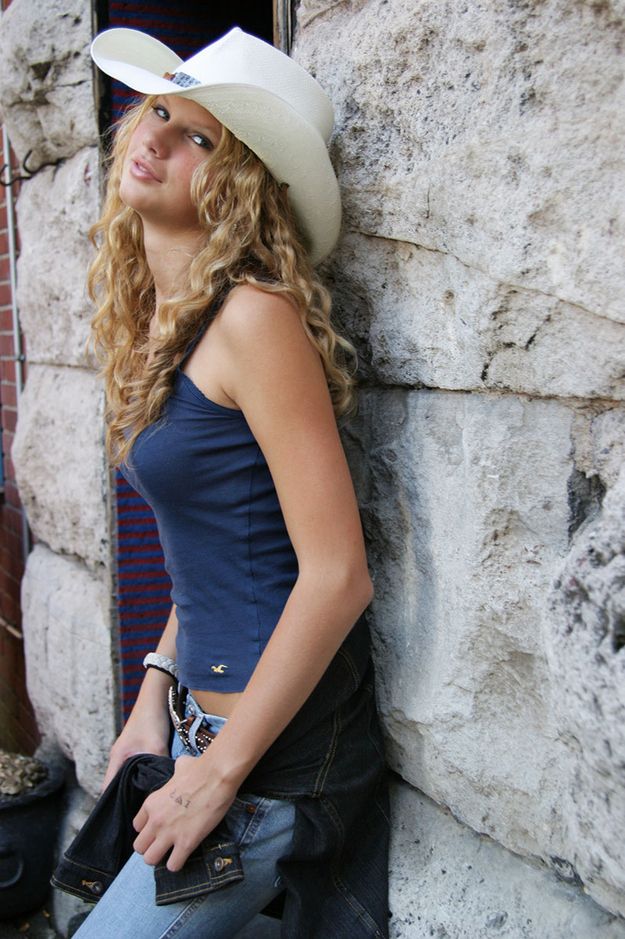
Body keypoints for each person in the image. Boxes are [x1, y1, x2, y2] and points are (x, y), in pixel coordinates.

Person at [71, 25, 389, 939]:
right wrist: (150, 712)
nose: (156, 136)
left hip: (271, 762)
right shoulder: (164, 324)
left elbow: (336, 573)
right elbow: (209, 549)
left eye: (199, 136)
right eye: (159, 110)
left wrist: (214, 776)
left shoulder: (254, 319)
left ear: (240, 188)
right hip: (201, 735)